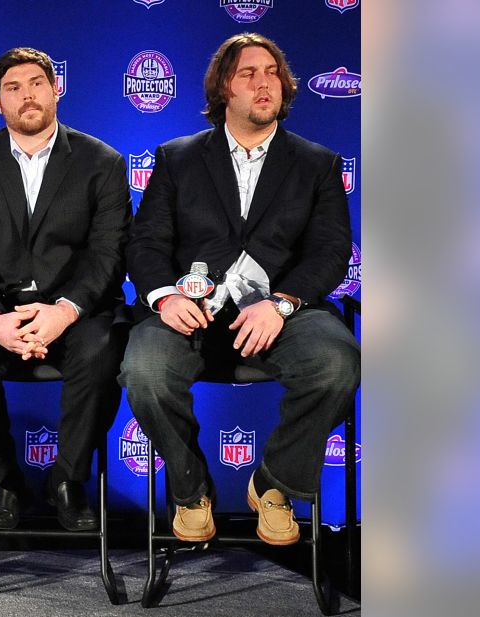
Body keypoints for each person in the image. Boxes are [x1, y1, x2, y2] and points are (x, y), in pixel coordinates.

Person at [120, 33, 360, 546]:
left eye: (272, 72)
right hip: (195, 313)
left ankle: (274, 486)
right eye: (248, 73)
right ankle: (190, 489)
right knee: (143, 368)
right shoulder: (177, 158)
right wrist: (166, 297)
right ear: (223, 88)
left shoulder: (317, 163)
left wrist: (281, 302)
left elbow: (330, 252)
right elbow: (146, 244)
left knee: (337, 362)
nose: (263, 82)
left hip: (285, 314)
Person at [0, 48, 130, 531]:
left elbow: (106, 254)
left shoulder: (101, 161)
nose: (28, 95)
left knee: (102, 353)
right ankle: (4, 483)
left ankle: (67, 481)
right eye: (13, 87)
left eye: (37, 83)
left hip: (76, 311)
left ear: (55, 89)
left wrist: (64, 311)